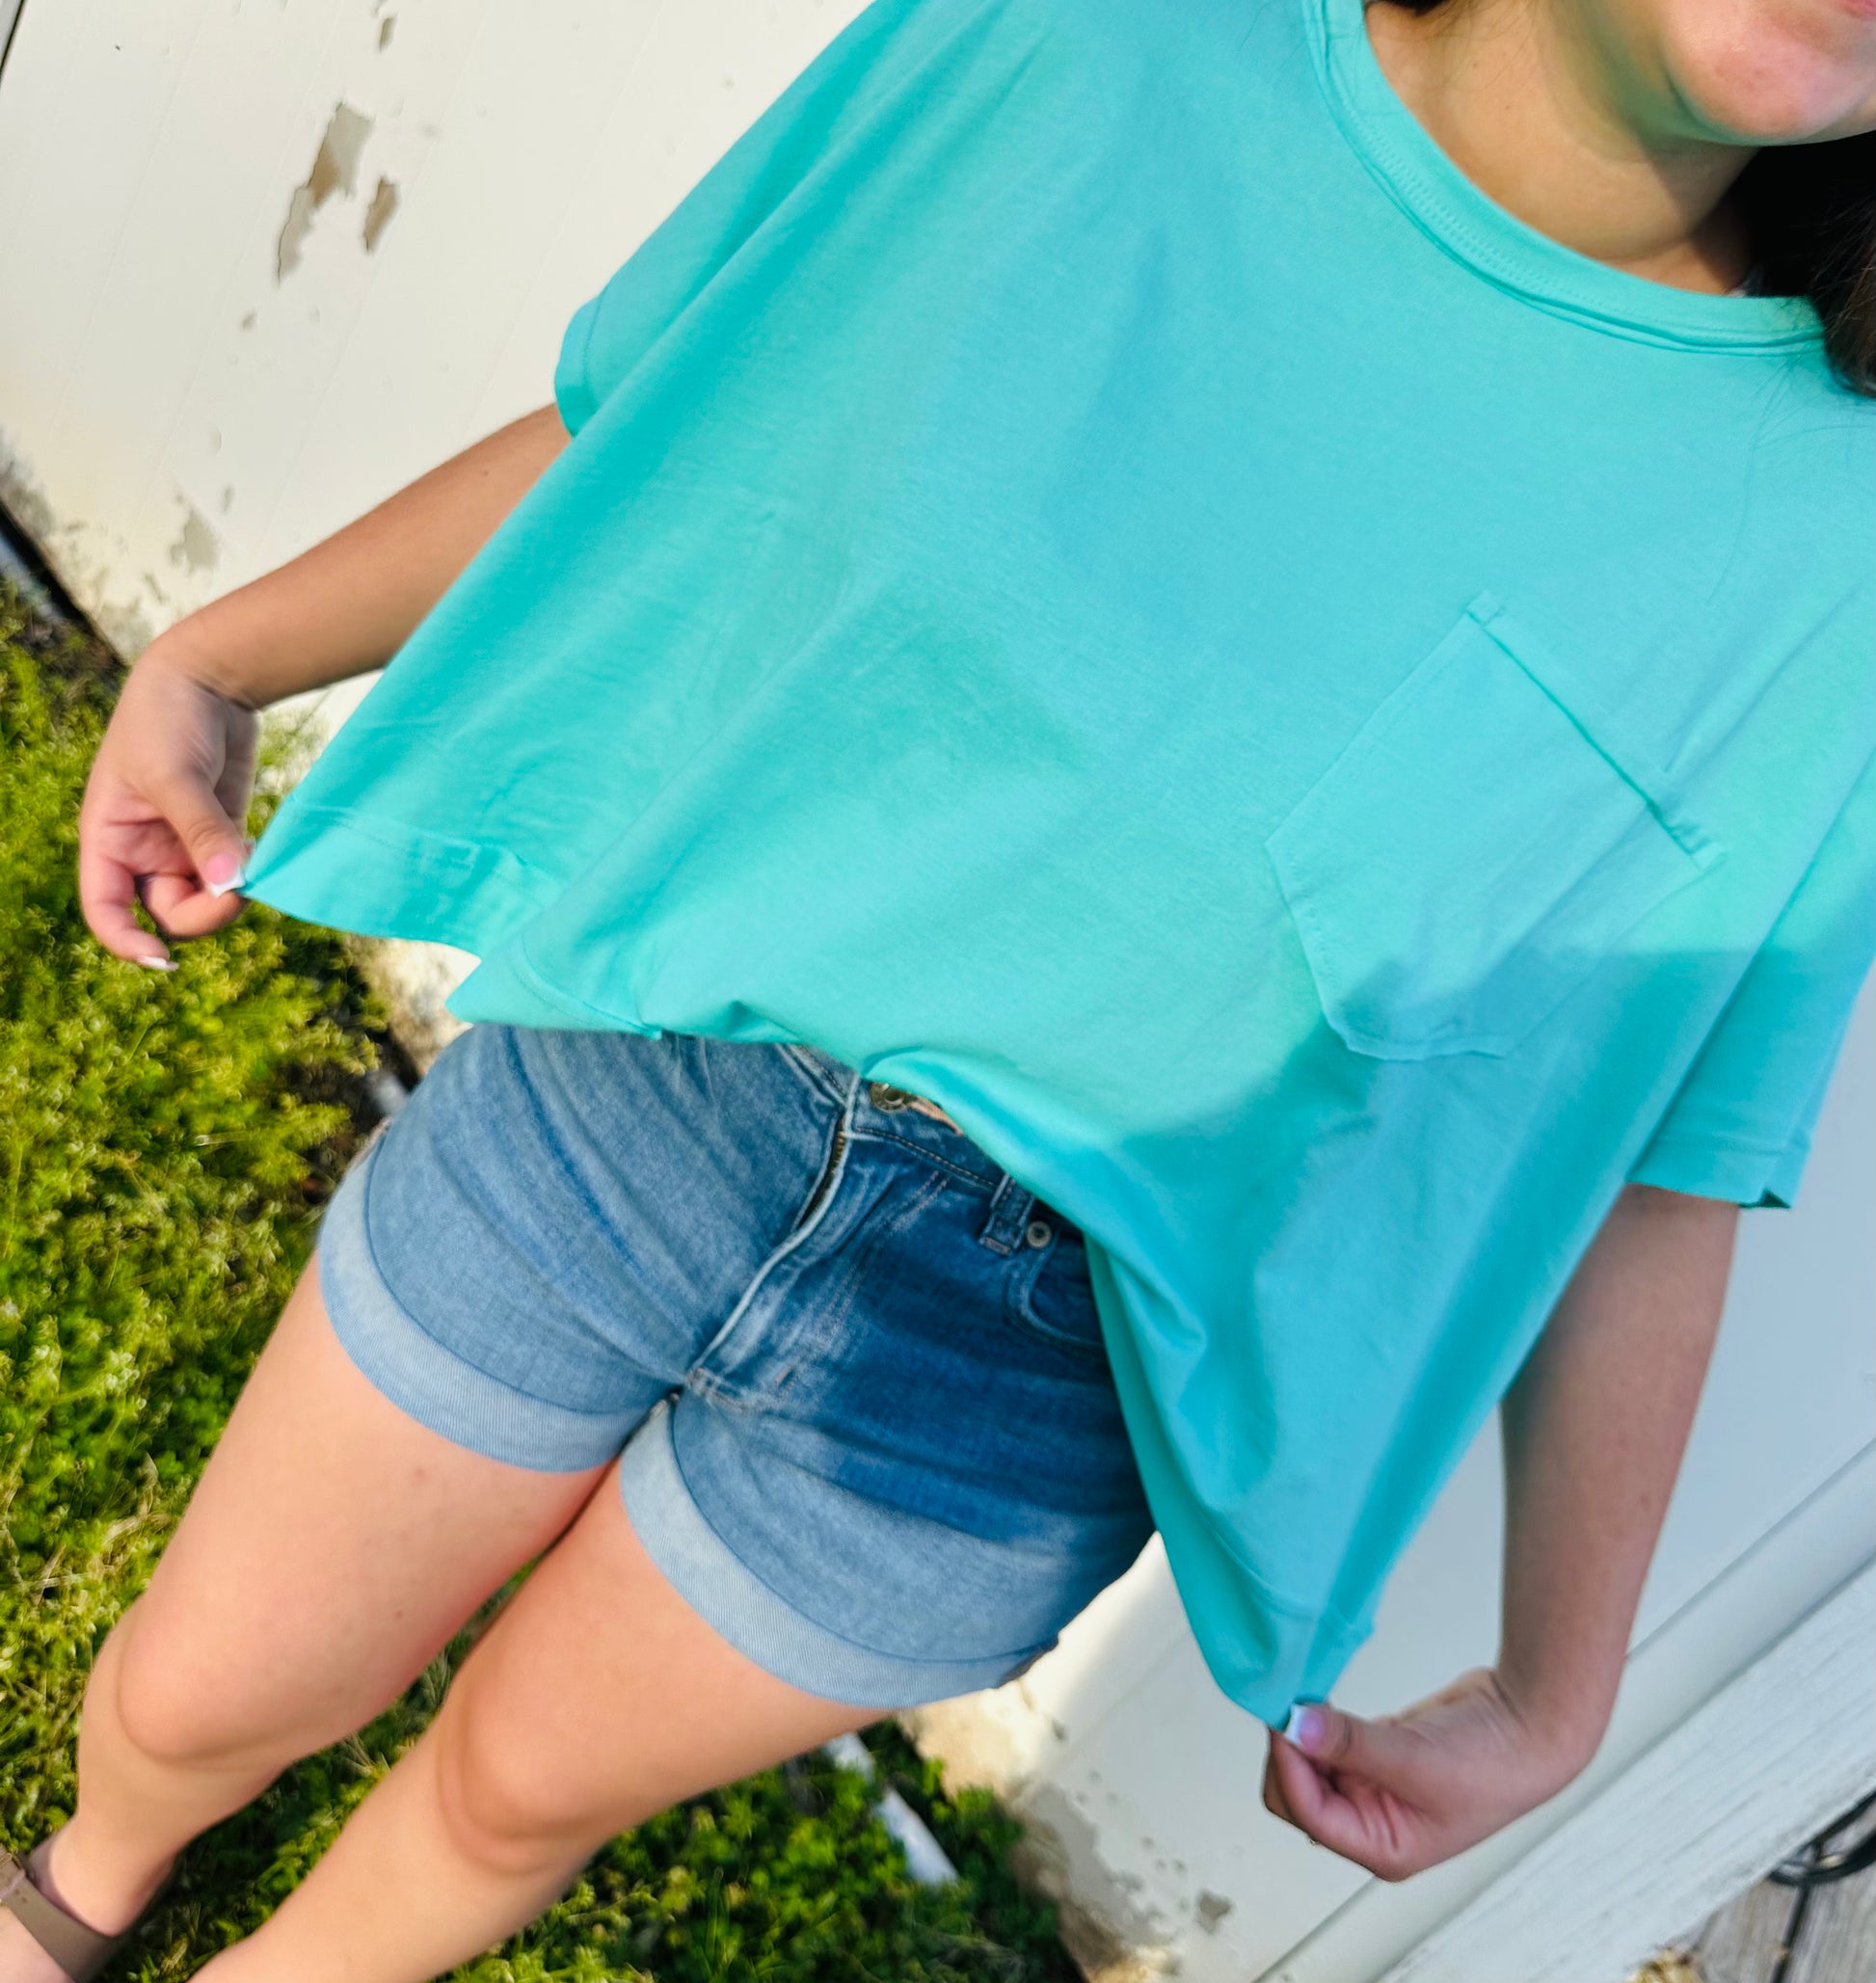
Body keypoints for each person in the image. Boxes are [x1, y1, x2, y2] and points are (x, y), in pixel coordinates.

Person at [6, 0, 1872, 1976]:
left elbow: (1666, 1146)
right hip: (651, 1093)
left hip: (1037, 1387)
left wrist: (1554, 1692)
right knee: (203, 1687)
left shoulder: (1839, 549)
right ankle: (80, 1885)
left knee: (513, 1796)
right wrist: (223, 656)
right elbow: (663, 416)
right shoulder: (1091, 45)